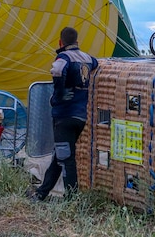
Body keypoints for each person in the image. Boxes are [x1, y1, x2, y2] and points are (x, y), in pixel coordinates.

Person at [31, 27, 98, 201]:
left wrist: (59, 94)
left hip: (64, 116)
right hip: (80, 116)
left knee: (66, 158)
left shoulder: (64, 57)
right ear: (77, 41)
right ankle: (41, 193)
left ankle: (72, 200)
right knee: (60, 155)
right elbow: (97, 63)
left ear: (61, 42)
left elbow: (58, 70)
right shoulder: (87, 58)